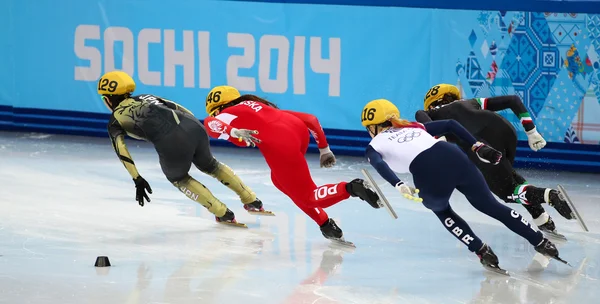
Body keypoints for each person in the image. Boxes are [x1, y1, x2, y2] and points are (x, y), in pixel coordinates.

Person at [361, 98, 564, 272]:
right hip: (453, 155)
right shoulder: (414, 126)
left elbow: (378, 163)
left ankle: (481, 250)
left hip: (427, 170)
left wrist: (397, 184)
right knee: (491, 205)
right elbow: (449, 124)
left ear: (374, 126)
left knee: (442, 211)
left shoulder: (374, 145)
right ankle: (540, 241)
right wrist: (477, 145)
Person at [202, 85, 379, 242]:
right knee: (279, 181)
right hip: (296, 132)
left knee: (309, 197)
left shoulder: (225, 115)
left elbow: (210, 124)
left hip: (280, 144)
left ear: (218, 108)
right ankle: (325, 224)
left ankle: (351, 188)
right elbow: (310, 119)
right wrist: (324, 149)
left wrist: (232, 130)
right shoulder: (257, 106)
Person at [98, 71, 265, 226]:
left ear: (108, 99)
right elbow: (179, 108)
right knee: (211, 165)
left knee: (178, 178)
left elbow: (122, 151)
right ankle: (251, 199)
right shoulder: (146, 96)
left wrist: (137, 178)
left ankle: (223, 213)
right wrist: (196, 129)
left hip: (170, 140)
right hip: (193, 126)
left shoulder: (115, 121)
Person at [415, 84, 575, 238]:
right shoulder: (469, 102)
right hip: (503, 130)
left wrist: (440, 141)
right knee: (508, 178)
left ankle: (550, 196)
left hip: (479, 142)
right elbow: (513, 100)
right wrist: (531, 131)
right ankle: (541, 218)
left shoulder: (428, 113)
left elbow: (423, 119)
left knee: (508, 191)